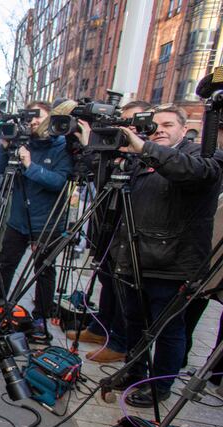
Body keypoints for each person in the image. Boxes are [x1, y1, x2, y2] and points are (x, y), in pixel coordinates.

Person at [109, 105, 223, 407]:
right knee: (134, 321)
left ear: (183, 129)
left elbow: (191, 173)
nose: (159, 129)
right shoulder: (142, 159)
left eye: (168, 124)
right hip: (136, 257)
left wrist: (144, 147)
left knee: (169, 329)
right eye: (154, 124)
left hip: (174, 263)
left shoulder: (205, 156)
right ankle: (134, 372)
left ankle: (160, 385)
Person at [66, 100, 153, 363]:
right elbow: (98, 176)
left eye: (131, 123)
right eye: (122, 122)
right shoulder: (118, 149)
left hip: (131, 230)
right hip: (108, 224)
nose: (125, 129)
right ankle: (99, 327)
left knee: (121, 286)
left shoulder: (148, 154)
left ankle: (118, 341)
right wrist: (90, 144)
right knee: (105, 278)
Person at [0, 100, 74, 343]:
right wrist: (5, 147)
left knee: (44, 271)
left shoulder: (62, 146)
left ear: (51, 118)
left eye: (38, 116)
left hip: (47, 222)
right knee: (5, 264)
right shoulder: (22, 143)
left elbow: (60, 182)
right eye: (30, 117)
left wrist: (29, 165)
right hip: (17, 220)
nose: (33, 121)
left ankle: (41, 319)